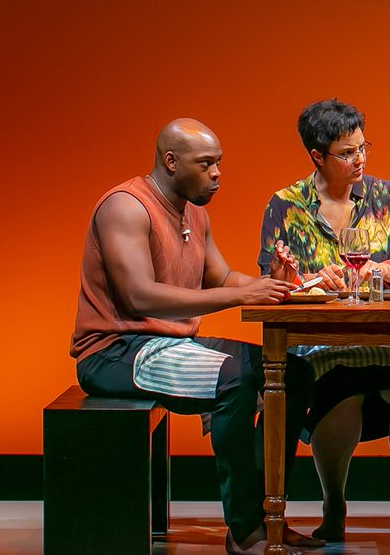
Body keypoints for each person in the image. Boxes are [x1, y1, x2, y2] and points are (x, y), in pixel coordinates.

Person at [70, 119, 316, 555]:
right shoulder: (126, 207)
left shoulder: (194, 211)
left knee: (293, 373)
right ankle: (245, 531)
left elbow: (220, 276)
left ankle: (267, 515)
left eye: (218, 163)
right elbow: (139, 296)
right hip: (117, 351)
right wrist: (241, 295)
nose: (217, 173)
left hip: (170, 344)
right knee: (235, 378)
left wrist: (278, 283)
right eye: (206, 164)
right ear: (170, 161)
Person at [258, 99, 390, 548]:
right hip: (326, 343)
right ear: (317, 156)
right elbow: (272, 279)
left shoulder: (386, 196)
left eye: (363, 147)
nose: (360, 160)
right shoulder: (286, 206)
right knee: (341, 388)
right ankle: (334, 506)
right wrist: (306, 278)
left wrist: (383, 269)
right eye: (347, 152)